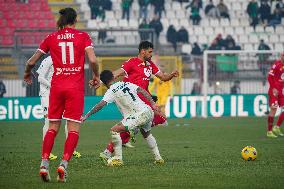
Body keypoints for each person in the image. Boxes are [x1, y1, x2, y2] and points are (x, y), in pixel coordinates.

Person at [23, 7, 100, 183]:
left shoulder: (51, 38)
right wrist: (96, 75)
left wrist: (28, 72)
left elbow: (31, 61)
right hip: (74, 88)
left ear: (61, 21)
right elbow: (93, 60)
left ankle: (44, 164)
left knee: (52, 127)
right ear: (75, 20)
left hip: (56, 88)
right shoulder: (83, 37)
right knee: (73, 129)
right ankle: (63, 165)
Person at [99, 41, 179, 163]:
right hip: (133, 100)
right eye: (150, 52)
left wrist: (172, 75)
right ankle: (113, 151)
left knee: (145, 127)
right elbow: (115, 74)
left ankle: (109, 151)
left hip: (144, 99)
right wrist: (100, 81)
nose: (151, 54)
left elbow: (163, 77)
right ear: (143, 51)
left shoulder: (150, 65)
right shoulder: (131, 62)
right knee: (158, 119)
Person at [82, 70, 165, 166]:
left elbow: (100, 105)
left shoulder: (111, 91)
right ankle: (158, 158)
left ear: (104, 83)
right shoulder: (126, 83)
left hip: (138, 115)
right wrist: (153, 104)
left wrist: (86, 115)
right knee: (146, 134)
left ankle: (118, 159)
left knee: (114, 130)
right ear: (113, 78)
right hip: (148, 110)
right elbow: (142, 90)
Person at [36, 56, 81, 161]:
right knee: (49, 121)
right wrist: (53, 85)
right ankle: (47, 153)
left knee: (70, 120)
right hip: (47, 94)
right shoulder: (48, 60)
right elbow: (40, 78)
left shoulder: (65, 59)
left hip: (61, 93)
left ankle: (71, 150)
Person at [266, 52, 284, 138]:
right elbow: (269, 77)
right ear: (281, 56)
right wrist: (273, 88)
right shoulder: (277, 64)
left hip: (281, 91)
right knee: (274, 109)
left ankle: (276, 127)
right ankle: (269, 131)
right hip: (274, 91)